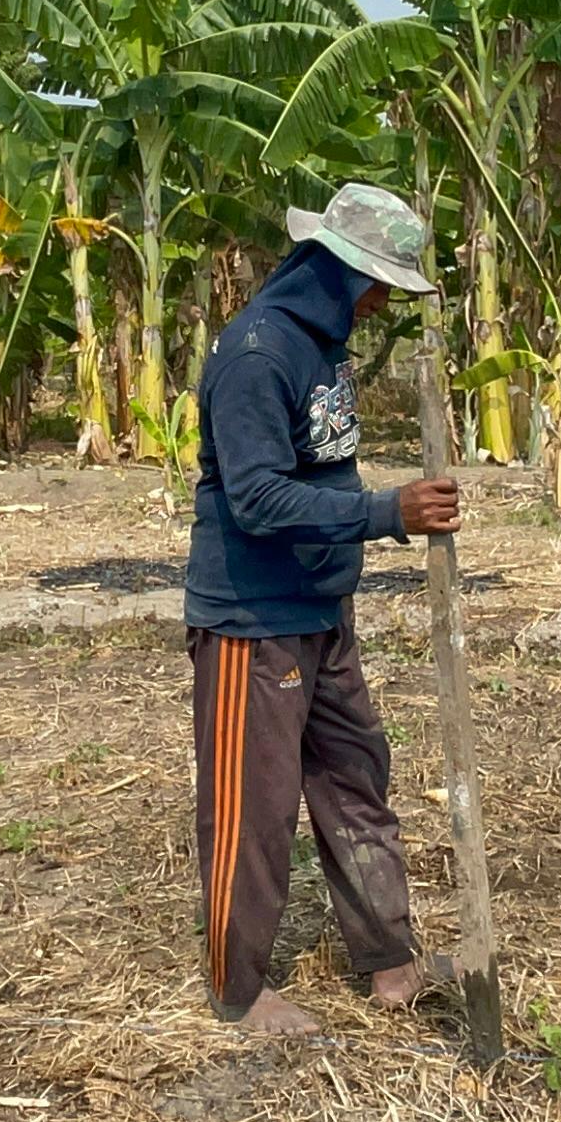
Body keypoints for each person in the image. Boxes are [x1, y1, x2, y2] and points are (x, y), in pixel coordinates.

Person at [185, 183, 464, 1037]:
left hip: (321, 608)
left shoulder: (325, 346)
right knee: (254, 810)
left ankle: (389, 959)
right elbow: (259, 498)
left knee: (354, 778)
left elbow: (320, 467)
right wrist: (386, 513)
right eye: (378, 284)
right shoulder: (258, 354)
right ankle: (237, 988)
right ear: (338, 270)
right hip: (254, 619)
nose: (382, 303)